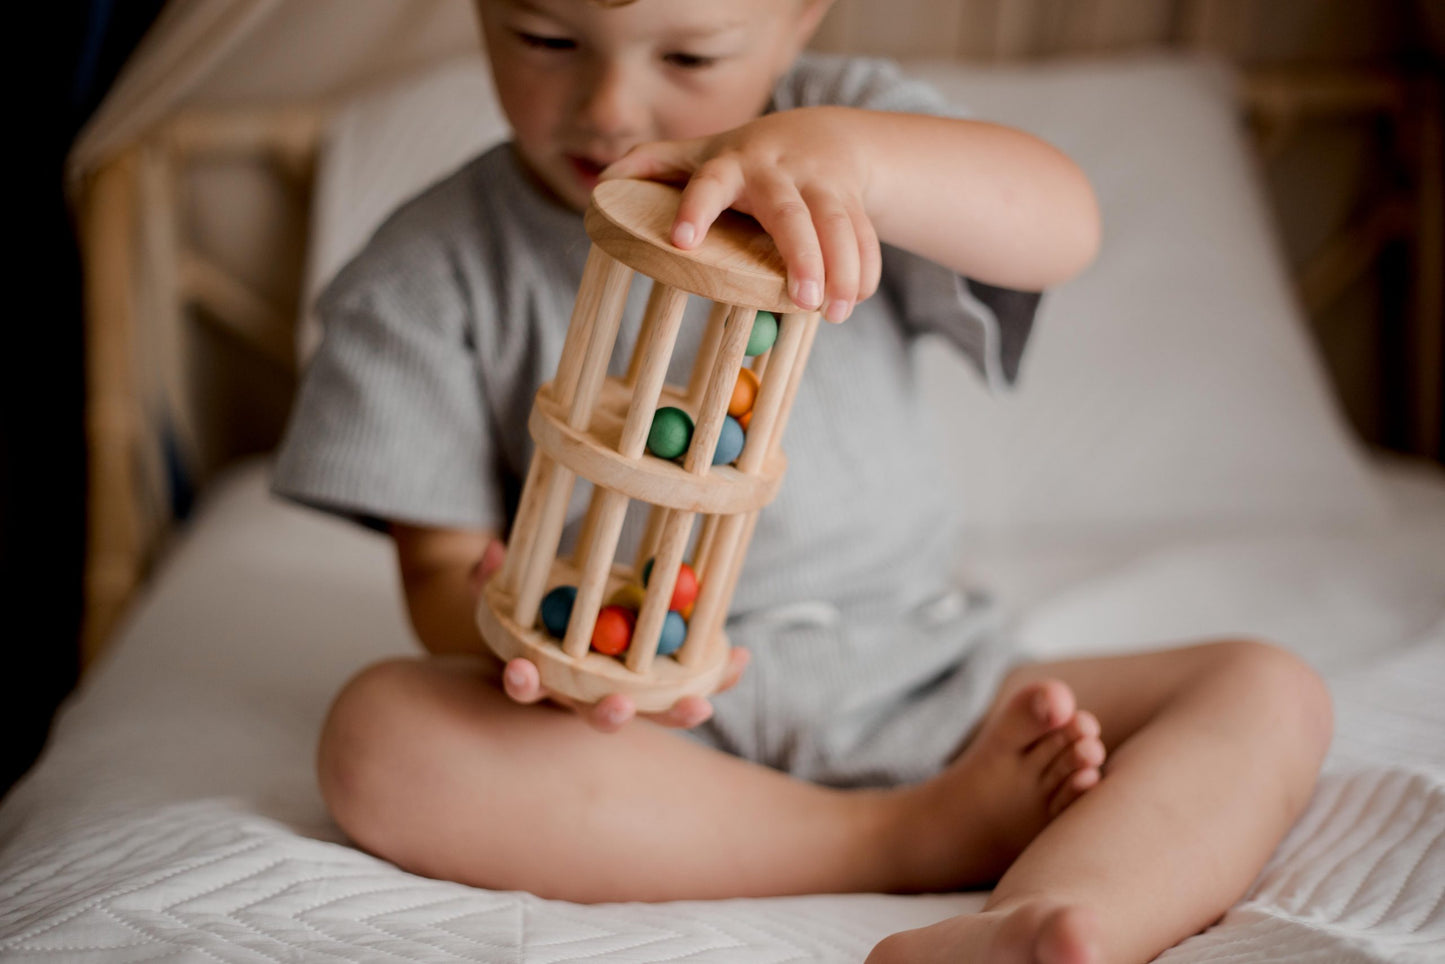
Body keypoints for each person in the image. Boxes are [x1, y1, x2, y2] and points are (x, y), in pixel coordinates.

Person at [272, 1, 1333, 960]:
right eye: (544, 39)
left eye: (689, 53)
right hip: (652, 728)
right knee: (378, 738)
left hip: (925, 675)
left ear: (796, 21)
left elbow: (1060, 224)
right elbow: (442, 574)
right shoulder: (427, 263)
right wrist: (534, 641)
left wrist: (853, 158)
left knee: (1267, 689)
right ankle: (909, 834)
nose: (609, 106)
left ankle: (1052, 917)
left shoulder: (844, 135)